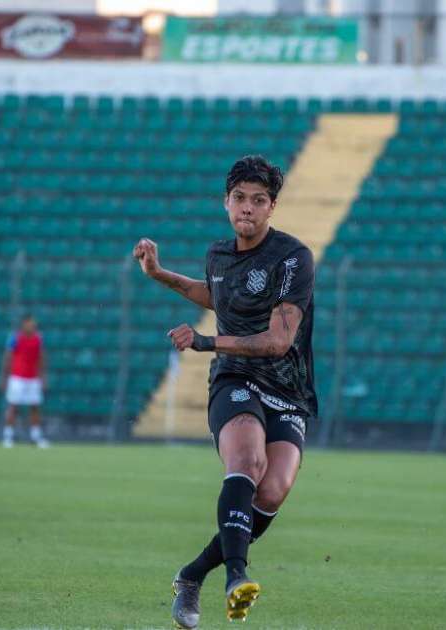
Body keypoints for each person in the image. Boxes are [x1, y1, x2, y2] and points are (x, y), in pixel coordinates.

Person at [134, 156, 316, 628]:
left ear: (272, 206)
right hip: (234, 379)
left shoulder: (294, 258)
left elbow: (279, 341)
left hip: (288, 387)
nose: (247, 209)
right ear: (226, 203)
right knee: (248, 463)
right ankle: (237, 576)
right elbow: (216, 295)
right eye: (239, 199)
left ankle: (192, 575)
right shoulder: (217, 255)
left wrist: (206, 340)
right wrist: (160, 274)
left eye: (258, 200)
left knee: (272, 491)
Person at [0, 314, 49, 449]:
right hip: (17, 378)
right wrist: (4, 378)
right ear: (23, 324)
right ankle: (8, 436)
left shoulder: (38, 339)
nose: (32, 326)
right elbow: (7, 357)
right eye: (30, 323)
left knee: (35, 407)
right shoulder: (15, 338)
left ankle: (36, 436)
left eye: (33, 324)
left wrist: (43, 378)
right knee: (13, 407)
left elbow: (41, 358)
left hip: (33, 378)